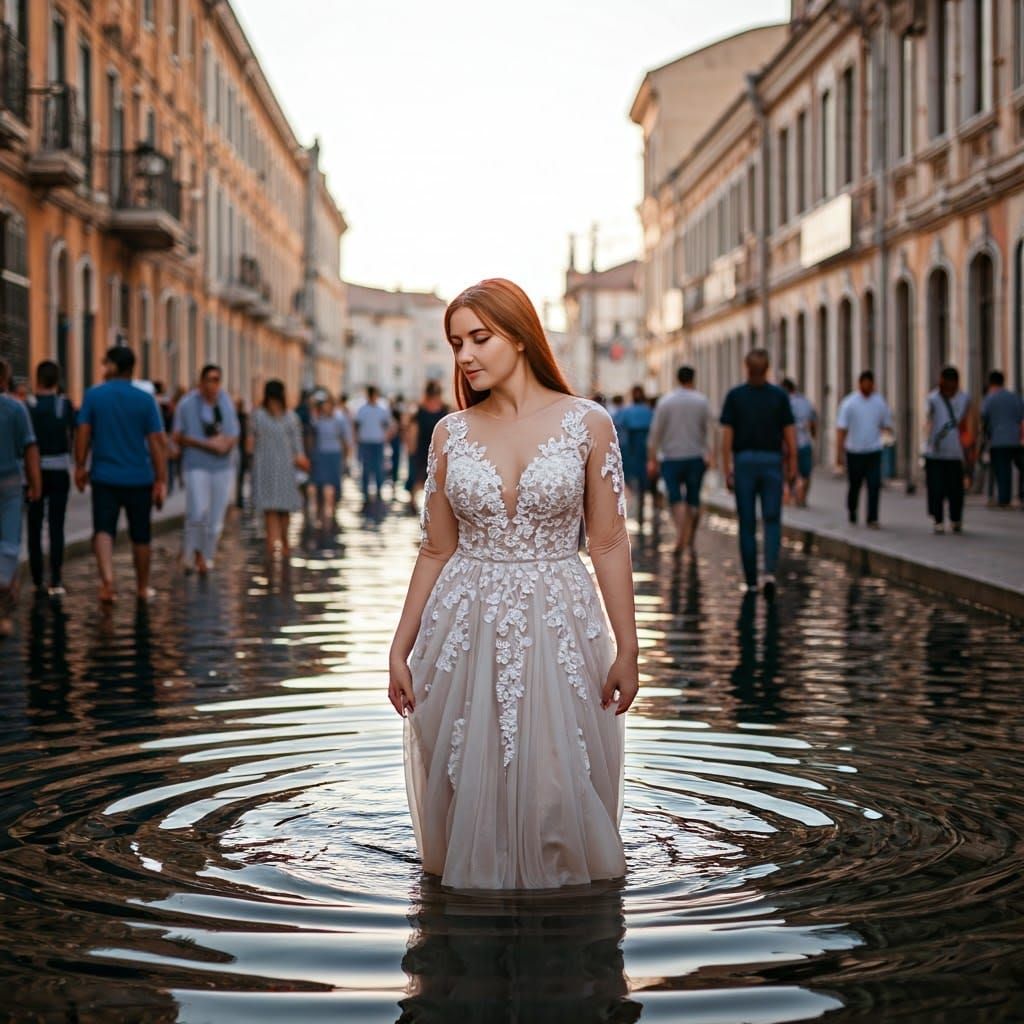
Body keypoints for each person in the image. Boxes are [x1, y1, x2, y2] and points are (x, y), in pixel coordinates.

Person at [388, 277, 638, 890]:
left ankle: (563, 920)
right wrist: (398, 646)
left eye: (479, 338)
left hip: (559, 617)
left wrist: (629, 646)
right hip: (464, 619)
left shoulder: (587, 422)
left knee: (557, 772)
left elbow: (606, 541)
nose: (465, 355)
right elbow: (436, 547)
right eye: (456, 343)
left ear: (521, 337)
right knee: (464, 768)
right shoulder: (451, 432)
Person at [74, 345, 167, 603]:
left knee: (103, 529)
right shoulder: (145, 399)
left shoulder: (94, 395)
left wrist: (80, 466)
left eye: (106, 363)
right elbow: (156, 442)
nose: (103, 368)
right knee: (141, 534)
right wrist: (161, 479)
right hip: (139, 477)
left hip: (104, 476)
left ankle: (108, 581)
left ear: (114, 366)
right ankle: (142, 587)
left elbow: (83, 432)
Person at [720, 349, 797, 599]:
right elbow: (789, 433)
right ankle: (770, 573)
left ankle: (752, 581)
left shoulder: (735, 396)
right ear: (767, 369)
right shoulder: (779, 396)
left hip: (744, 462)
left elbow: (727, 437)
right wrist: (793, 462)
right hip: (772, 461)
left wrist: (726, 469)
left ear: (746, 367)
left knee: (747, 524)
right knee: (772, 519)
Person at [172, 364, 240, 574]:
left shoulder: (225, 402)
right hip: (197, 465)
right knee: (198, 511)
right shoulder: (187, 404)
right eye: (210, 379)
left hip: (222, 466)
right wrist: (204, 444)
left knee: (216, 516)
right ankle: (194, 554)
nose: (214, 384)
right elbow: (177, 435)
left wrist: (224, 445)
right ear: (201, 382)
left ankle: (206, 555)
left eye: (217, 379)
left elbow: (234, 433)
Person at [647, 365, 710, 556]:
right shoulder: (702, 401)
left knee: (675, 498)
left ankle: (681, 535)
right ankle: (689, 536)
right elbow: (709, 428)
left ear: (677, 378)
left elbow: (656, 431)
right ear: (693, 378)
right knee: (693, 498)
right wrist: (710, 453)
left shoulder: (666, 402)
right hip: (695, 455)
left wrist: (652, 457)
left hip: (671, 457)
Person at [26, 360, 75, 596]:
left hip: (32, 473)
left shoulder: (28, 405)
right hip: (59, 471)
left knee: (34, 525)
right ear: (57, 381)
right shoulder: (64, 405)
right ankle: (56, 578)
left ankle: (37, 578)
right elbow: (74, 434)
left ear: (37, 380)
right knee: (57, 526)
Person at [0, 358, 41, 636]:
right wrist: (36, 483)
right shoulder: (16, 408)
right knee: (9, 544)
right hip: (10, 485)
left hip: (11, 486)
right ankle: (4, 610)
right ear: (5, 380)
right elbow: (30, 449)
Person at [248, 379, 308, 558]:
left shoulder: (284, 417)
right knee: (272, 509)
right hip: (271, 467)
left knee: (281, 509)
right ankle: (276, 545)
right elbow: (298, 448)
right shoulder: (263, 416)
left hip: (278, 467)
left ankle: (280, 544)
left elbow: (250, 444)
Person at [835, 370, 893, 528]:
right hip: (854, 451)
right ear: (860, 383)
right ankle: (852, 510)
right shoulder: (849, 403)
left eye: (871, 383)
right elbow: (841, 429)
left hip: (874, 450)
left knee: (874, 485)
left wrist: (887, 434)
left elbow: (886, 423)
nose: (868, 386)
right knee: (855, 485)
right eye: (865, 383)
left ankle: (872, 517)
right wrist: (839, 454)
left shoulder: (879, 402)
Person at [924, 366, 971, 533]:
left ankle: (955, 518)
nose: (950, 386)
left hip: (955, 452)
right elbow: (928, 421)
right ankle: (938, 519)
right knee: (935, 489)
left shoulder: (965, 398)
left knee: (955, 490)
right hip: (934, 452)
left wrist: (969, 447)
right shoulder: (933, 399)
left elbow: (967, 423)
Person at [309, 393, 354, 528]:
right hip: (321, 454)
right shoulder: (318, 419)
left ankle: (332, 510)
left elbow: (346, 439)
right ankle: (322, 512)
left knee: (333, 485)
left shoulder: (339, 419)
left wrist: (346, 457)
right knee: (322, 485)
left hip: (334, 454)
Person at [981, 370, 1023, 508]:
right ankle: (1021, 496)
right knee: (1020, 467)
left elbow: (984, 417)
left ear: (990, 383)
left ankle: (1004, 499)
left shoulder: (989, 399)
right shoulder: (1014, 397)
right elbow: (1020, 415)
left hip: (997, 440)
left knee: (1002, 470)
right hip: (1015, 439)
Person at [406, 380, 449, 516]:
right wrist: (411, 449)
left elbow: (412, 430)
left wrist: (411, 449)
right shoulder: (443, 409)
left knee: (425, 478)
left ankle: (419, 503)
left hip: (433, 449)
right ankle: (416, 502)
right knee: (420, 477)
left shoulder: (422, 410)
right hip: (426, 448)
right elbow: (413, 430)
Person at [618, 385, 654, 525]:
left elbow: (619, 428)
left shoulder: (626, 412)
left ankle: (637, 509)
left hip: (631, 450)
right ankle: (640, 509)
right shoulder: (648, 411)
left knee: (633, 481)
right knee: (643, 481)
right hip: (642, 450)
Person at [354, 385, 393, 510]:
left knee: (378, 469)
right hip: (366, 442)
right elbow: (357, 425)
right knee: (366, 469)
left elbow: (386, 425)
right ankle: (366, 495)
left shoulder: (381, 409)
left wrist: (385, 438)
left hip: (377, 442)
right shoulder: (362, 409)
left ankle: (378, 493)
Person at [781, 378, 817, 507]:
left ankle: (791, 495)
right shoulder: (805, 402)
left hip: (788, 444)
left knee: (789, 471)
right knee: (806, 473)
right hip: (805, 442)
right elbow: (813, 421)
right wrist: (813, 435)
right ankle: (802, 499)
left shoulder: (784, 403)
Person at [235, 395, 250, 509]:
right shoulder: (240, 418)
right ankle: (239, 499)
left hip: (242, 450)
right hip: (240, 450)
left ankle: (240, 498)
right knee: (240, 477)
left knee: (241, 477)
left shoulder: (242, 417)